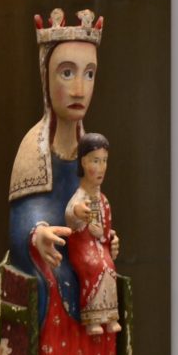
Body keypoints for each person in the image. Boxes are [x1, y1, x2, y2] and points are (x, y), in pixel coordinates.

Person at [7, 8, 121, 355]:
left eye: (89, 74)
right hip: (53, 256)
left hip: (84, 251)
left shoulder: (91, 147)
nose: (79, 87)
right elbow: (24, 213)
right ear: (47, 77)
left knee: (104, 277)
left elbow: (97, 201)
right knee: (57, 277)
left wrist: (107, 235)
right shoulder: (33, 148)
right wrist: (37, 233)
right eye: (67, 72)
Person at [65, 133, 121, 336]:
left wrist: (108, 236)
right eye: (95, 161)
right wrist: (77, 213)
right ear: (83, 162)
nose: (101, 167)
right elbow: (70, 215)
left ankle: (109, 315)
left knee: (109, 266)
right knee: (94, 264)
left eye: (104, 161)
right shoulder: (80, 197)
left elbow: (106, 228)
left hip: (99, 246)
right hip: (81, 246)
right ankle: (92, 318)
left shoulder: (103, 199)